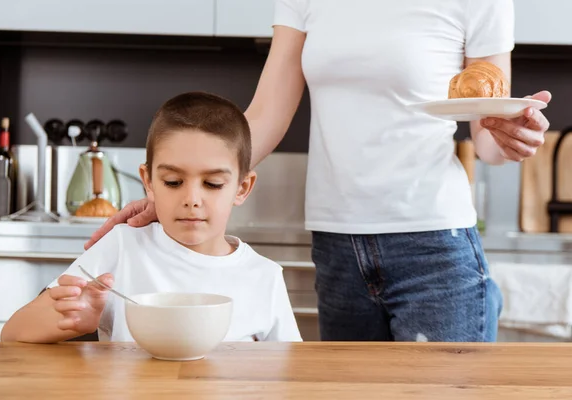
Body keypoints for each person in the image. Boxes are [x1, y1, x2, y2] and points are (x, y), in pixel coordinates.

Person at [86, 0, 552, 342]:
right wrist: (175, 193)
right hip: (336, 247)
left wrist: (516, 135)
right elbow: (265, 114)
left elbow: (488, 132)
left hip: (433, 245)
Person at [0, 92, 302, 343]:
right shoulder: (120, 248)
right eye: (173, 181)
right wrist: (71, 320)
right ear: (148, 182)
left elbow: (290, 373)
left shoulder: (264, 277)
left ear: (242, 187)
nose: (192, 200)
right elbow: (12, 335)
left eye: (212, 184)